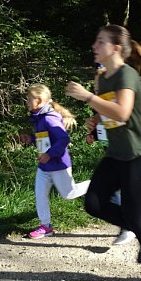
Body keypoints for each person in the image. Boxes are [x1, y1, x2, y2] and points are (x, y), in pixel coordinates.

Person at [65, 26, 141, 281]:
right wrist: (96, 121)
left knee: (133, 215)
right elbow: (108, 113)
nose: (94, 45)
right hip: (116, 153)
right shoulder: (102, 78)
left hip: (137, 153)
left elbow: (123, 112)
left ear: (115, 48)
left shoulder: (127, 74)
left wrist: (88, 97)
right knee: (93, 203)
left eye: (100, 41)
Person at [89, 63, 141, 246]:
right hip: (114, 151)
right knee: (129, 191)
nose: (97, 90)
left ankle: (134, 225)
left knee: (122, 191)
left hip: (131, 152)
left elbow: (122, 119)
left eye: (100, 86)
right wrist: (93, 132)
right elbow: (106, 124)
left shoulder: (120, 98)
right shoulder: (101, 102)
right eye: (96, 87)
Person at [20, 85, 90, 238]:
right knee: (40, 195)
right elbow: (46, 139)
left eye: (29, 99)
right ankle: (45, 226)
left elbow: (63, 139)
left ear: (39, 101)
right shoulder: (40, 117)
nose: (27, 102)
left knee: (69, 194)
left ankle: (97, 182)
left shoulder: (49, 118)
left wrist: (49, 154)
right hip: (44, 167)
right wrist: (31, 139)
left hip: (59, 166)